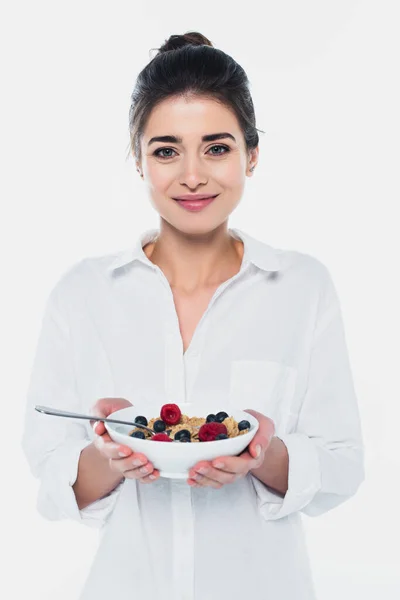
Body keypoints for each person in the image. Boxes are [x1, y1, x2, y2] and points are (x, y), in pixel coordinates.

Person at [21, 31, 365, 600]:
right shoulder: (82, 294)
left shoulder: (303, 287)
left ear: (251, 154)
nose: (192, 175)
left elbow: (342, 468)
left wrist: (262, 454)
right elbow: (55, 481)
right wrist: (110, 454)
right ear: (138, 161)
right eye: (165, 150)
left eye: (216, 147)